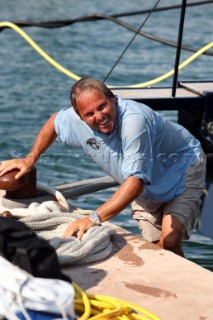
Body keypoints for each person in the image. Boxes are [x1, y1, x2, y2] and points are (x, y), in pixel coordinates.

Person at [0, 78, 206, 256]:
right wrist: (29, 159)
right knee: (154, 249)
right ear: (79, 117)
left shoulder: (134, 122)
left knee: (169, 241)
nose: (99, 116)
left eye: (102, 106)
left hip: (182, 167)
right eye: (89, 114)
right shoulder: (75, 119)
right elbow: (54, 122)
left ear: (114, 100)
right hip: (148, 180)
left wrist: (92, 218)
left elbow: (135, 183)